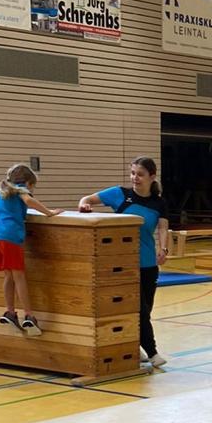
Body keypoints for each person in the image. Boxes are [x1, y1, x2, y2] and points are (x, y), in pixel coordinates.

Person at [79, 156, 170, 368]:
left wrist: (163, 249)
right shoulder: (120, 194)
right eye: (132, 173)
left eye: (140, 174)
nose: (135, 178)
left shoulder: (159, 203)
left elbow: (163, 227)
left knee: (146, 310)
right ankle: (152, 352)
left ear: (152, 176)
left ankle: (133, 346)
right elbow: (87, 199)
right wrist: (84, 205)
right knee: (140, 309)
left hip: (148, 264)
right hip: (124, 265)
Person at [0, 164, 60, 337]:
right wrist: (49, 213)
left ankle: (10, 312)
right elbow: (29, 201)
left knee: (8, 275)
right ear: (28, 183)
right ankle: (29, 315)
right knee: (19, 276)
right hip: (9, 237)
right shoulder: (20, 191)